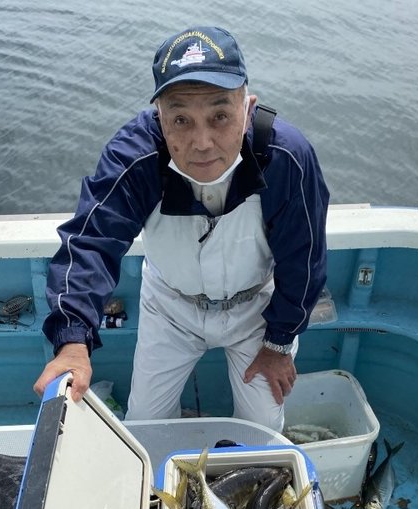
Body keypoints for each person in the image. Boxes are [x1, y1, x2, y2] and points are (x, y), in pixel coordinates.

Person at [34, 26, 329, 432]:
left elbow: (305, 259)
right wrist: (72, 341)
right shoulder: (135, 156)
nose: (202, 142)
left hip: (255, 311)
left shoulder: (285, 157)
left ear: (248, 108)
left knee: (265, 428)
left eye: (220, 115)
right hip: (170, 306)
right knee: (144, 425)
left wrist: (279, 342)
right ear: (160, 119)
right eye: (181, 120)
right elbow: (91, 242)